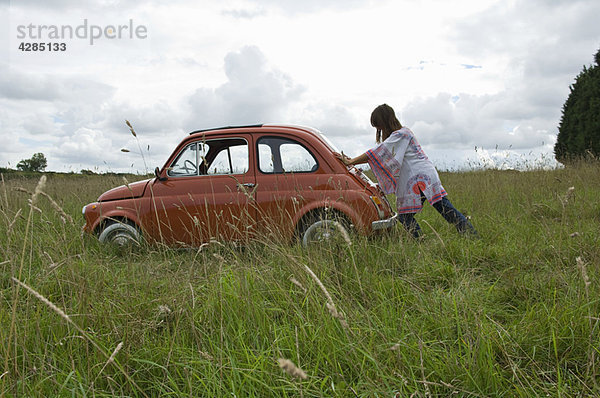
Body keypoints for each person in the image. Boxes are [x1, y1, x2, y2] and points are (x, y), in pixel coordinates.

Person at [336, 104, 477, 238]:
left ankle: (423, 239)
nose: (378, 129)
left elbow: (378, 152)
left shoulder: (401, 134)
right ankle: (469, 234)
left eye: (378, 125)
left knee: (411, 215)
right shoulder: (402, 134)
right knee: (443, 209)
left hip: (419, 177)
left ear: (384, 121)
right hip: (424, 175)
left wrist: (351, 161)